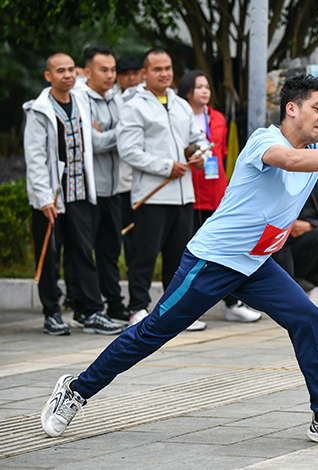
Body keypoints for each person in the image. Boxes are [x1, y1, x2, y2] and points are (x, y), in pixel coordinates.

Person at [40, 74, 318, 446]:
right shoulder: (265, 141)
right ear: (291, 108)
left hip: (256, 265)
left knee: (306, 316)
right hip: (212, 261)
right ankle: (75, 391)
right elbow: (291, 161)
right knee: (153, 332)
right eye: (317, 108)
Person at [23, 53, 123, 336]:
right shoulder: (39, 110)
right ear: (48, 76)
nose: (67, 75)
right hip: (52, 197)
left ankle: (90, 311)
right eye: (60, 71)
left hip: (80, 193)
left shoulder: (81, 102)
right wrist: (44, 197)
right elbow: (35, 157)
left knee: (83, 253)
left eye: (70, 70)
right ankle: (52, 313)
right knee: (50, 257)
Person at [117, 49, 209, 330]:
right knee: (144, 256)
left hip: (183, 195)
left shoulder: (181, 104)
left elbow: (199, 139)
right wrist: (166, 166)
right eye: (157, 69)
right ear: (144, 74)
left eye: (168, 68)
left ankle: (174, 312)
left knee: (179, 258)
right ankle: (137, 308)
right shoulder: (134, 106)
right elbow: (128, 150)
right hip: (152, 196)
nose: (165, 73)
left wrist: (199, 154)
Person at [176, 69, 262, 323]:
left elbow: (221, 153)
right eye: (199, 87)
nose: (205, 91)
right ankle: (187, 308)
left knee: (225, 248)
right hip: (189, 189)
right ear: (187, 91)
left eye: (207, 87)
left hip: (217, 189)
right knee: (193, 253)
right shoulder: (178, 115)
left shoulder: (218, 118)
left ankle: (232, 302)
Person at [73, 46, 130, 326]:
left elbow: (124, 137)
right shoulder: (79, 99)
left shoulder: (116, 98)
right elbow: (92, 143)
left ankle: (115, 305)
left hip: (113, 189)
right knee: (83, 251)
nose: (110, 75)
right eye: (103, 70)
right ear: (87, 72)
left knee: (110, 250)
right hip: (88, 190)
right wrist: (122, 132)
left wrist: (111, 134)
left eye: (113, 70)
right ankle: (84, 307)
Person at [113, 56, 143, 273]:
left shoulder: (149, 99)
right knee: (126, 237)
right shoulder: (113, 100)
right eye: (125, 74)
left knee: (145, 238)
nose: (131, 78)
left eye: (135, 73)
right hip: (121, 183)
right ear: (118, 78)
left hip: (149, 182)